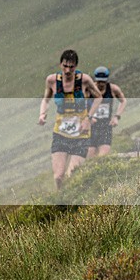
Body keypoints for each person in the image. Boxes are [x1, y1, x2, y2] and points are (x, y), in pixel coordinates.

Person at [38, 49, 102, 190]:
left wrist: (88, 118)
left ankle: (71, 202)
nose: (68, 70)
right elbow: (45, 100)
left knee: (71, 174)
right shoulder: (52, 81)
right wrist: (42, 114)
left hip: (81, 134)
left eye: (71, 67)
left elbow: (98, 97)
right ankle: (61, 201)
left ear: (76, 66)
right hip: (61, 133)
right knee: (58, 177)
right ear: (60, 64)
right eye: (65, 66)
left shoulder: (84, 80)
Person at [87, 66, 126, 158]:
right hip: (91, 127)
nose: (101, 84)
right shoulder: (88, 89)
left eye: (103, 81)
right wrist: (88, 117)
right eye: (99, 81)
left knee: (102, 156)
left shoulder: (113, 89)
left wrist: (117, 117)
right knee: (90, 158)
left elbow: (123, 101)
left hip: (105, 126)